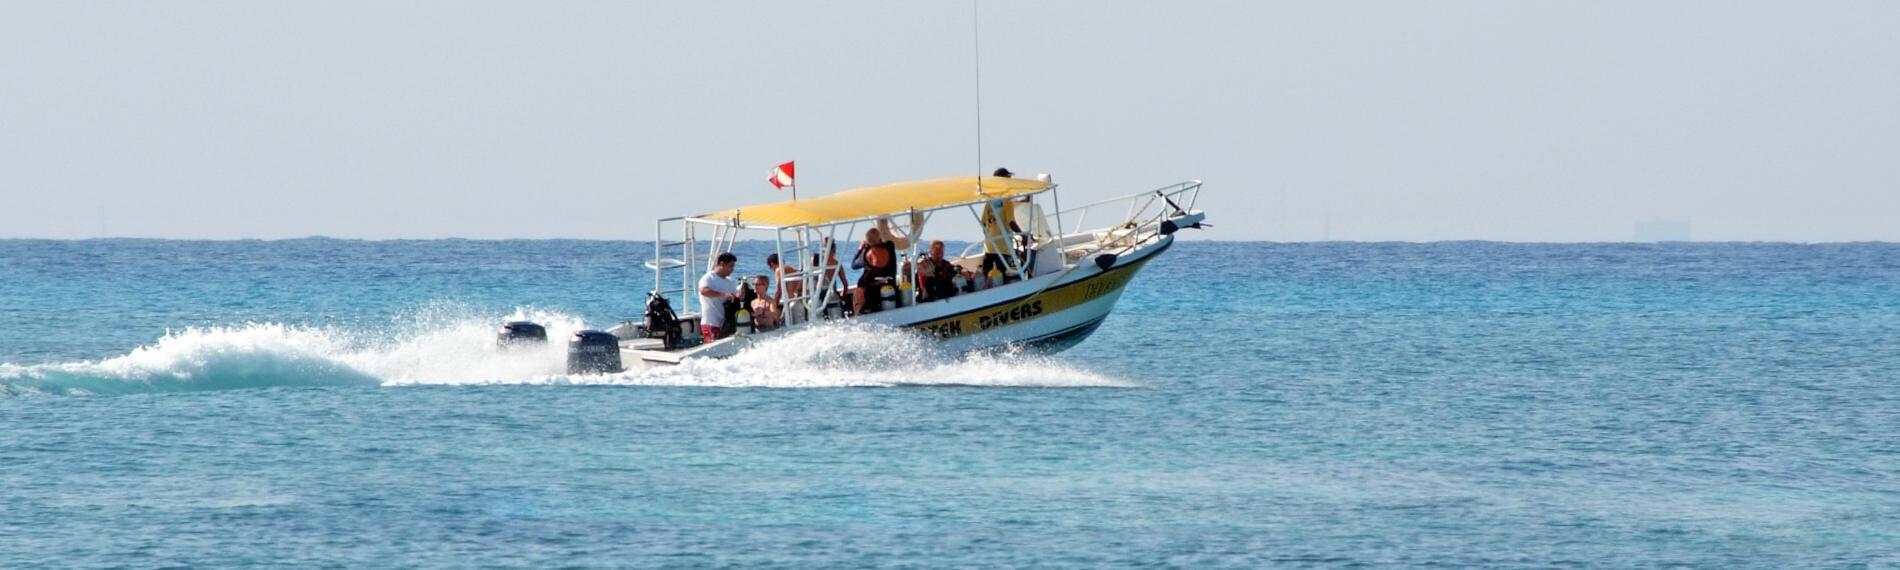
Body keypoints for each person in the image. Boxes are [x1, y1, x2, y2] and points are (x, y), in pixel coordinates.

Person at [697, 252, 741, 340]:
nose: (732, 269)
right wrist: (723, 294)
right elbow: (703, 291)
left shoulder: (730, 281)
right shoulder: (709, 278)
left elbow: (735, 297)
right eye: (731, 266)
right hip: (711, 322)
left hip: (726, 323)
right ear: (722, 264)